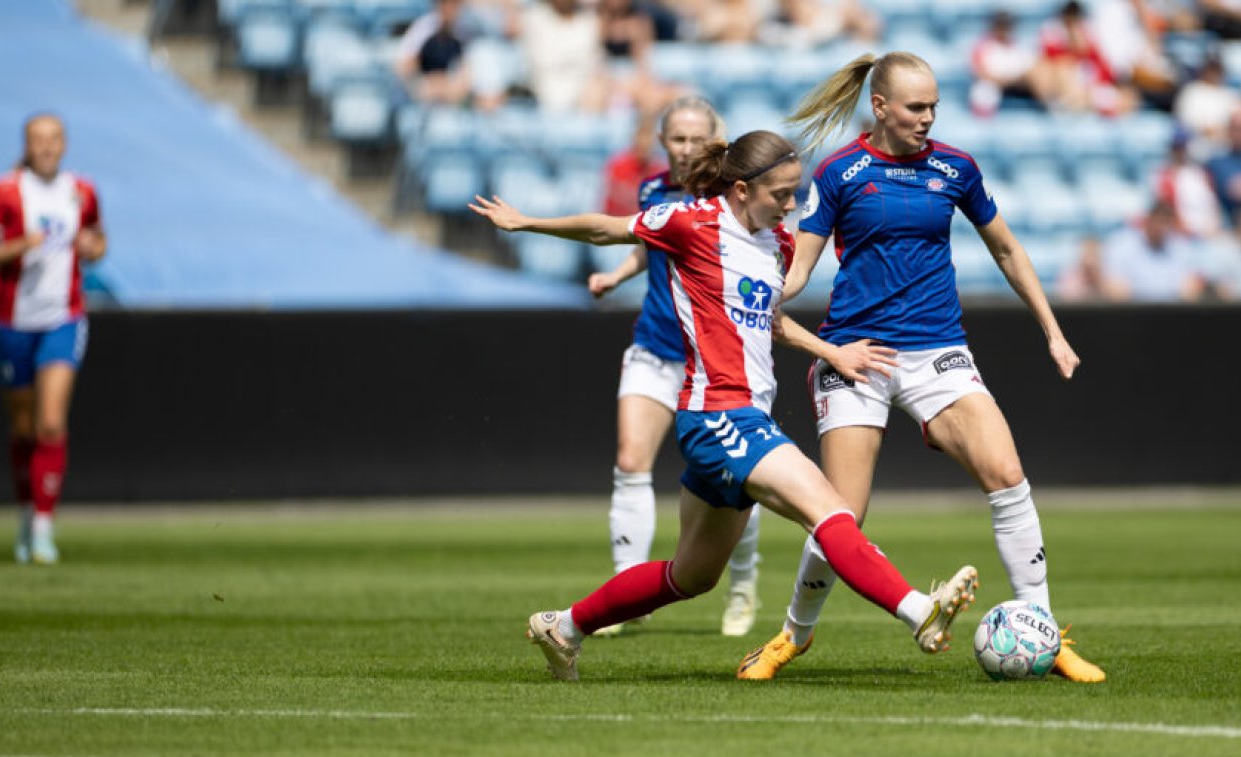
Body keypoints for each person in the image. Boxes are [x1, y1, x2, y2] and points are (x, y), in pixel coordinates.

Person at [469, 130, 981, 681]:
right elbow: (607, 228)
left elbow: (770, 321)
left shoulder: (776, 245)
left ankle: (563, 627)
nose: (791, 206)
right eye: (781, 194)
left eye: (794, 193)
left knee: (691, 576)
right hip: (717, 415)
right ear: (741, 190)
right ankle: (917, 612)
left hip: (742, 419)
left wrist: (832, 350)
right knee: (831, 512)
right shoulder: (690, 223)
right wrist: (528, 223)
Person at [738, 51, 1107, 683]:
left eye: (934, 106)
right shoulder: (839, 173)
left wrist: (1053, 330)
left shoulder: (956, 168)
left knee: (1007, 472)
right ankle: (791, 637)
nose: (928, 118)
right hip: (858, 352)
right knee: (841, 516)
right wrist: (765, 291)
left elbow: (1007, 248)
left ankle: (1044, 635)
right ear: (880, 107)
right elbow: (798, 269)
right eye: (916, 107)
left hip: (937, 349)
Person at [585, 96, 769, 637]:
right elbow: (647, 241)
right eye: (677, 138)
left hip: (718, 360)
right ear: (662, 142)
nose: (687, 148)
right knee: (630, 459)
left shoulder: (733, 194)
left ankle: (741, 584)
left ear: (717, 138)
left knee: (741, 479)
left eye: (696, 137)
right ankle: (625, 595)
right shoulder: (654, 190)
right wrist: (617, 276)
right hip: (656, 346)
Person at [0, 113, 105, 565]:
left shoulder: (81, 191)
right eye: (38, 140)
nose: (46, 147)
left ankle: (45, 530)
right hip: (13, 321)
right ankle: (27, 513)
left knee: (51, 422)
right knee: (24, 428)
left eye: (53, 139)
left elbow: (98, 239)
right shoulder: (5, 192)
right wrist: (19, 246)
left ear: (64, 144)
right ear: (27, 145)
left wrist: (93, 248)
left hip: (62, 319)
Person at [393, 0, 505, 111]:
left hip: (457, 90)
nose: (449, 8)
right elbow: (404, 63)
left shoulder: (467, 30)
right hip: (427, 89)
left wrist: (452, 86)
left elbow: (469, 67)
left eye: (454, 4)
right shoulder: (425, 26)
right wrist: (420, 84)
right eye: (445, 4)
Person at [1100, 199, 1203, 301]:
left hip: (1172, 313)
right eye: (1158, 220)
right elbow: (1115, 288)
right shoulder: (1121, 245)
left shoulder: (1181, 248)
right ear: (1148, 220)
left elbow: (1191, 289)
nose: (1161, 227)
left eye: (1165, 222)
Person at [1153, 125, 1225, 239]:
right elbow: (1166, 212)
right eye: (1177, 147)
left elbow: (1213, 206)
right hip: (1181, 237)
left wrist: (1213, 228)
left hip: (1208, 233)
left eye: (1183, 147)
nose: (1181, 151)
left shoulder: (1201, 174)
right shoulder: (1164, 176)